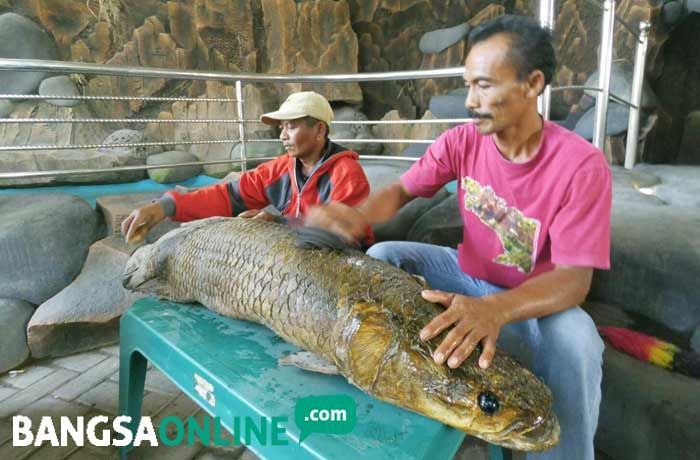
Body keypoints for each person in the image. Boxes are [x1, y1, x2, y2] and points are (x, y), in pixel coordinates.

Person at [305, 15, 611, 460]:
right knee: (386, 254)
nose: (470, 101)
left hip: (535, 300)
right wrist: (354, 215)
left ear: (533, 84)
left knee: (579, 343)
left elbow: (573, 281)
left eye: (484, 86)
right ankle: (415, 390)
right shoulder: (462, 141)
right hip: (466, 274)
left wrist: (494, 310)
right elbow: (401, 190)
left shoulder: (581, 165)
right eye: (468, 85)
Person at [121, 91, 371, 243]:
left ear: (319, 130)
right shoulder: (281, 169)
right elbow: (229, 196)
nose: (283, 136)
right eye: (281, 127)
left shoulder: (346, 173)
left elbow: (344, 233)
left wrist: (279, 224)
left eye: (291, 127)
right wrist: (165, 206)